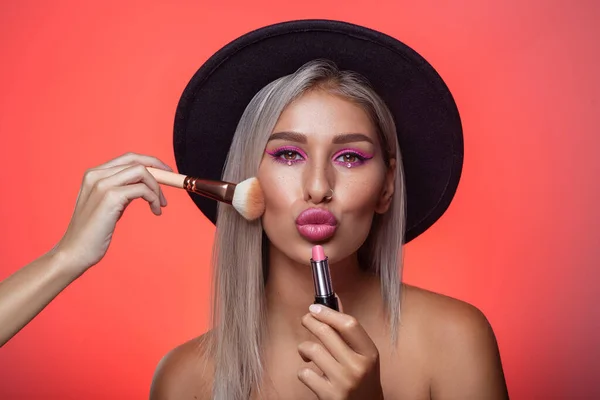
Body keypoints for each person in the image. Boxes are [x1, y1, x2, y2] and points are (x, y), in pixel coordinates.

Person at [149, 20, 509, 400]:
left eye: (350, 157)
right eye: (288, 154)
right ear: (246, 181)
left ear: (386, 187)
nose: (319, 188)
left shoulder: (455, 340)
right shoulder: (184, 380)